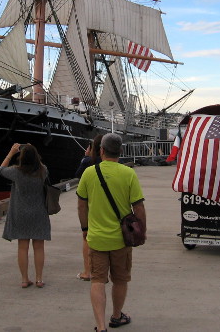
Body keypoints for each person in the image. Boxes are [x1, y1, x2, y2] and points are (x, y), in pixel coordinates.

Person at [76, 133, 147, 332]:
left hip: (97, 238)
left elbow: (81, 206)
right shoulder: (128, 174)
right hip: (122, 239)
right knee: (120, 279)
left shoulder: (89, 173)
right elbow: (139, 207)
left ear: (101, 150)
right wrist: (142, 230)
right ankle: (116, 316)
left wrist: (85, 229)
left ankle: (100, 326)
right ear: (120, 151)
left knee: (97, 280)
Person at [0, 143, 51, 289]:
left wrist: (11, 153)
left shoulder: (16, 172)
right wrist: (33, 151)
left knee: (22, 247)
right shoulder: (43, 170)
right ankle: (39, 279)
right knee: (39, 247)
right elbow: (41, 165)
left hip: (20, 213)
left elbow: (1, 169)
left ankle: (24, 279)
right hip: (39, 213)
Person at [75, 134, 104, 282]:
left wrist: (85, 157)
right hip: (107, 206)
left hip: (90, 204)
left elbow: (77, 175)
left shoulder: (87, 162)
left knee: (87, 238)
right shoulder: (115, 166)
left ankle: (88, 271)